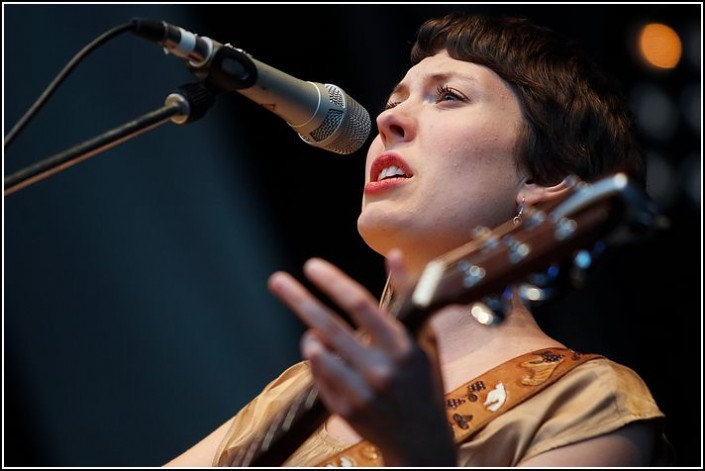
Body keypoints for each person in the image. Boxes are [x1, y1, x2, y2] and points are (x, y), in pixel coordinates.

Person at [165, 12, 670, 467]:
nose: (388, 119)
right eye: (394, 100)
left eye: (448, 96)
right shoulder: (302, 392)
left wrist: (419, 451)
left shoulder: (585, 398)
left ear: (548, 174)